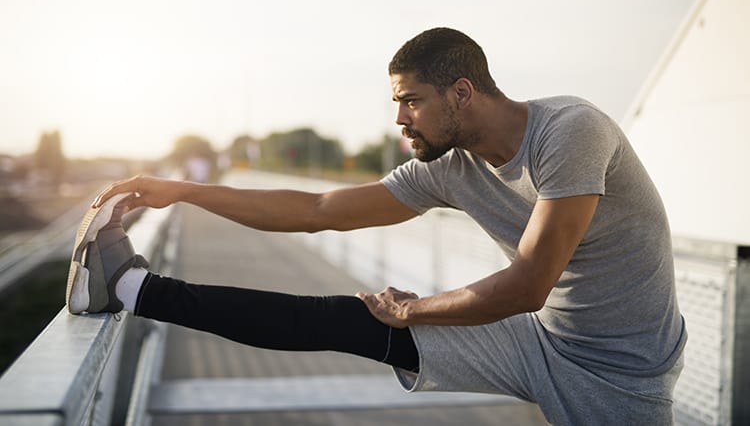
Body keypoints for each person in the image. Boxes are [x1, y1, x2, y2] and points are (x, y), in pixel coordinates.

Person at [66, 27, 686, 425]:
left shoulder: (571, 132)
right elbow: (316, 213)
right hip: (541, 340)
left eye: (410, 100)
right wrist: (183, 192)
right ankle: (129, 289)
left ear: (462, 93)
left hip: (623, 372)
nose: (398, 119)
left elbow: (528, 283)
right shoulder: (450, 168)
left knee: (385, 316)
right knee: (342, 320)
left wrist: (416, 310)